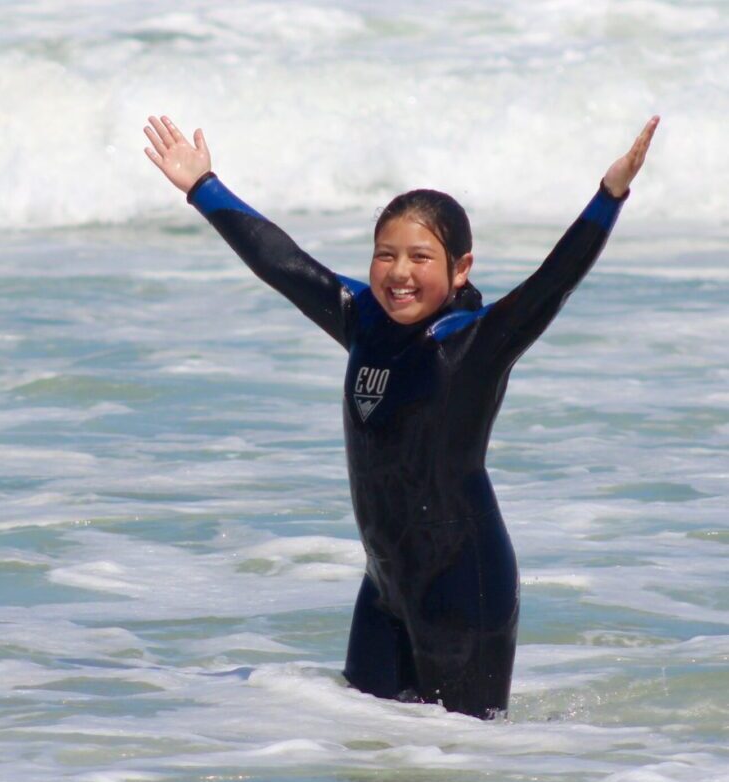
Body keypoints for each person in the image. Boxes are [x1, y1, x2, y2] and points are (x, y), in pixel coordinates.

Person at [144, 114, 659, 719]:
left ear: (460, 268)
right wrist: (203, 187)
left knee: (461, 772)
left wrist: (610, 195)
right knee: (371, 759)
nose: (399, 273)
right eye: (385, 255)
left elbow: (553, 283)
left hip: (466, 588)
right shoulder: (361, 319)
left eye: (420, 257)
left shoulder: (475, 342)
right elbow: (281, 262)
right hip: (385, 589)